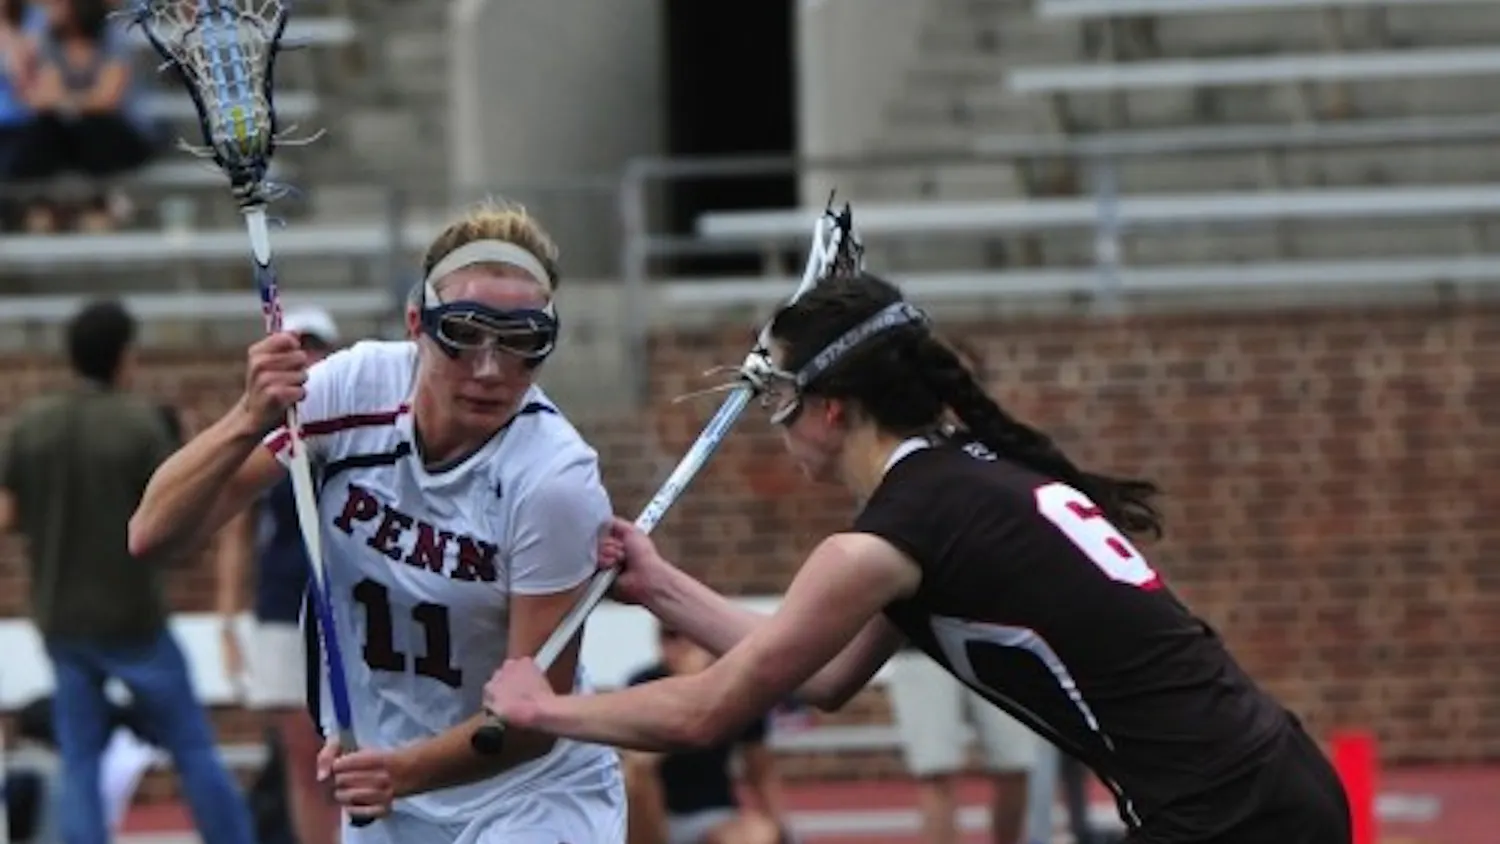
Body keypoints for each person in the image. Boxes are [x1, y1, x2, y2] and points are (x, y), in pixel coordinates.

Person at [481, 271, 1355, 844]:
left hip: (1223, 816)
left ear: (832, 408)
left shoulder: (883, 539)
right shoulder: (956, 485)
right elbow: (816, 678)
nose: (776, 424)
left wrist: (544, 710)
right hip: (1266, 786)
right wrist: (660, 585)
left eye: (781, 398)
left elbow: (707, 712)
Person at [128, 200, 627, 843]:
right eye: (465, 333)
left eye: (522, 343)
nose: (489, 369)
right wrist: (246, 418)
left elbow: (533, 719)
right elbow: (154, 537)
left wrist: (400, 772)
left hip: (527, 795)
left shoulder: (554, 480)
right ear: (416, 321)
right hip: (391, 796)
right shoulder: (352, 390)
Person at [0, 299, 256, 844]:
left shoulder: (33, 425)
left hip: (63, 619)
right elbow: (175, 512)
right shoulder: (139, 423)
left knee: (80, 758)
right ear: (123, 356)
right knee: (191, 747)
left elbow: (7, 514)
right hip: (134, 618)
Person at [883, 335, 1039, 844]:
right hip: (920, 641)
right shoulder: (897, 457)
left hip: (996, 630)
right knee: (937, 772)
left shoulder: (1002, 454)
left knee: (1017, 765)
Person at [215, 307, 344, 844]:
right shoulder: (263, 438)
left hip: (347, 614)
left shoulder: (354, 427)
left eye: (316, 348)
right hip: (281, 608)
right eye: (297, 348)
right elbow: (235, 531)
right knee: (304, 761)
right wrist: (227, 622)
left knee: (349, 761)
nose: (308, 359)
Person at [622, 625, 787, 844]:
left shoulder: (736, 688)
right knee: (636, 775)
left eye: (690, 635)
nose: (679, 645)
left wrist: (780, 827)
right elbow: (638, 763)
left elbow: (759, 769)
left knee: (757, 835)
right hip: (653, 818)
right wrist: (686, 685)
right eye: (669, 635)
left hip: (714, 815)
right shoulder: (644, 683)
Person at [11, 0, 155, 231]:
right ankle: (43, 205)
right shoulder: (49, 38)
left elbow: (108, 99)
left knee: (93, 127)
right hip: (72, 133)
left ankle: (99, 204)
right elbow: (45, 96)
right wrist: (78, 103)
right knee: (44, 129)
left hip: (119, 132)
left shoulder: (113, 37)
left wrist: (69, 103)